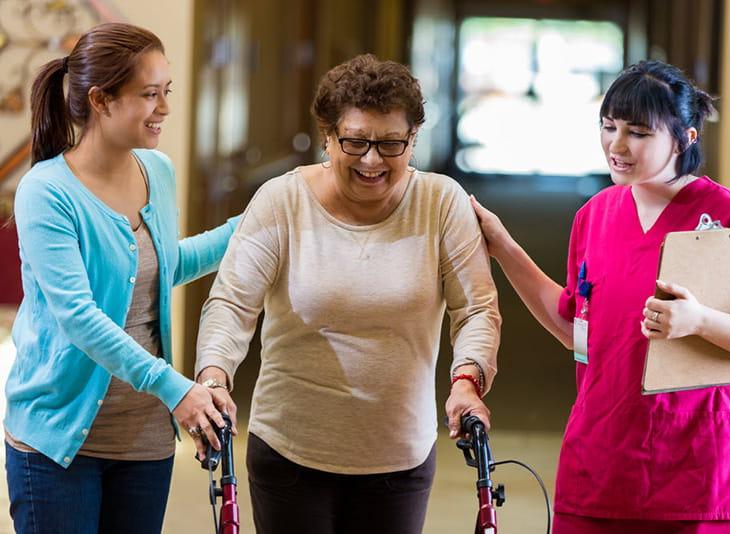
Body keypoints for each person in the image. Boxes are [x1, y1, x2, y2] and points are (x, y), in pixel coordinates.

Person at [471, 60, 730, 533]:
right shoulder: (595, 216)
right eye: (609, 127)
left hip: (696, 479)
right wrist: (503, 247)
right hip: (598, 473)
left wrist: (700, 321)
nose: (617, 146)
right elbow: (574, 329)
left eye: (639, 133)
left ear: (686, 138)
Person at [195, 53, 501, 534]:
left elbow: (477, 308)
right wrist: (214, 376)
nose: (372, 159)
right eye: (356, 141)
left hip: (398, 453)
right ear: (327, 136)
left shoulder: (441, 203)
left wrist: (467, 379)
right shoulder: (282, 201)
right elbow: (232, 302)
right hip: (291, 449)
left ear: (414, 139)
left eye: (391, 143)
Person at [4, 22, 239, 534]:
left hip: (143, 440)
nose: (165, 108)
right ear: (101, 100)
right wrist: (176, 389)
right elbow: (79, 316)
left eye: (167, 92)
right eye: (149, 94)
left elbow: (164, 264)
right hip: (59, 442)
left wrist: (252, 223)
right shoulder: (46, 192)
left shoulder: (158, 171)